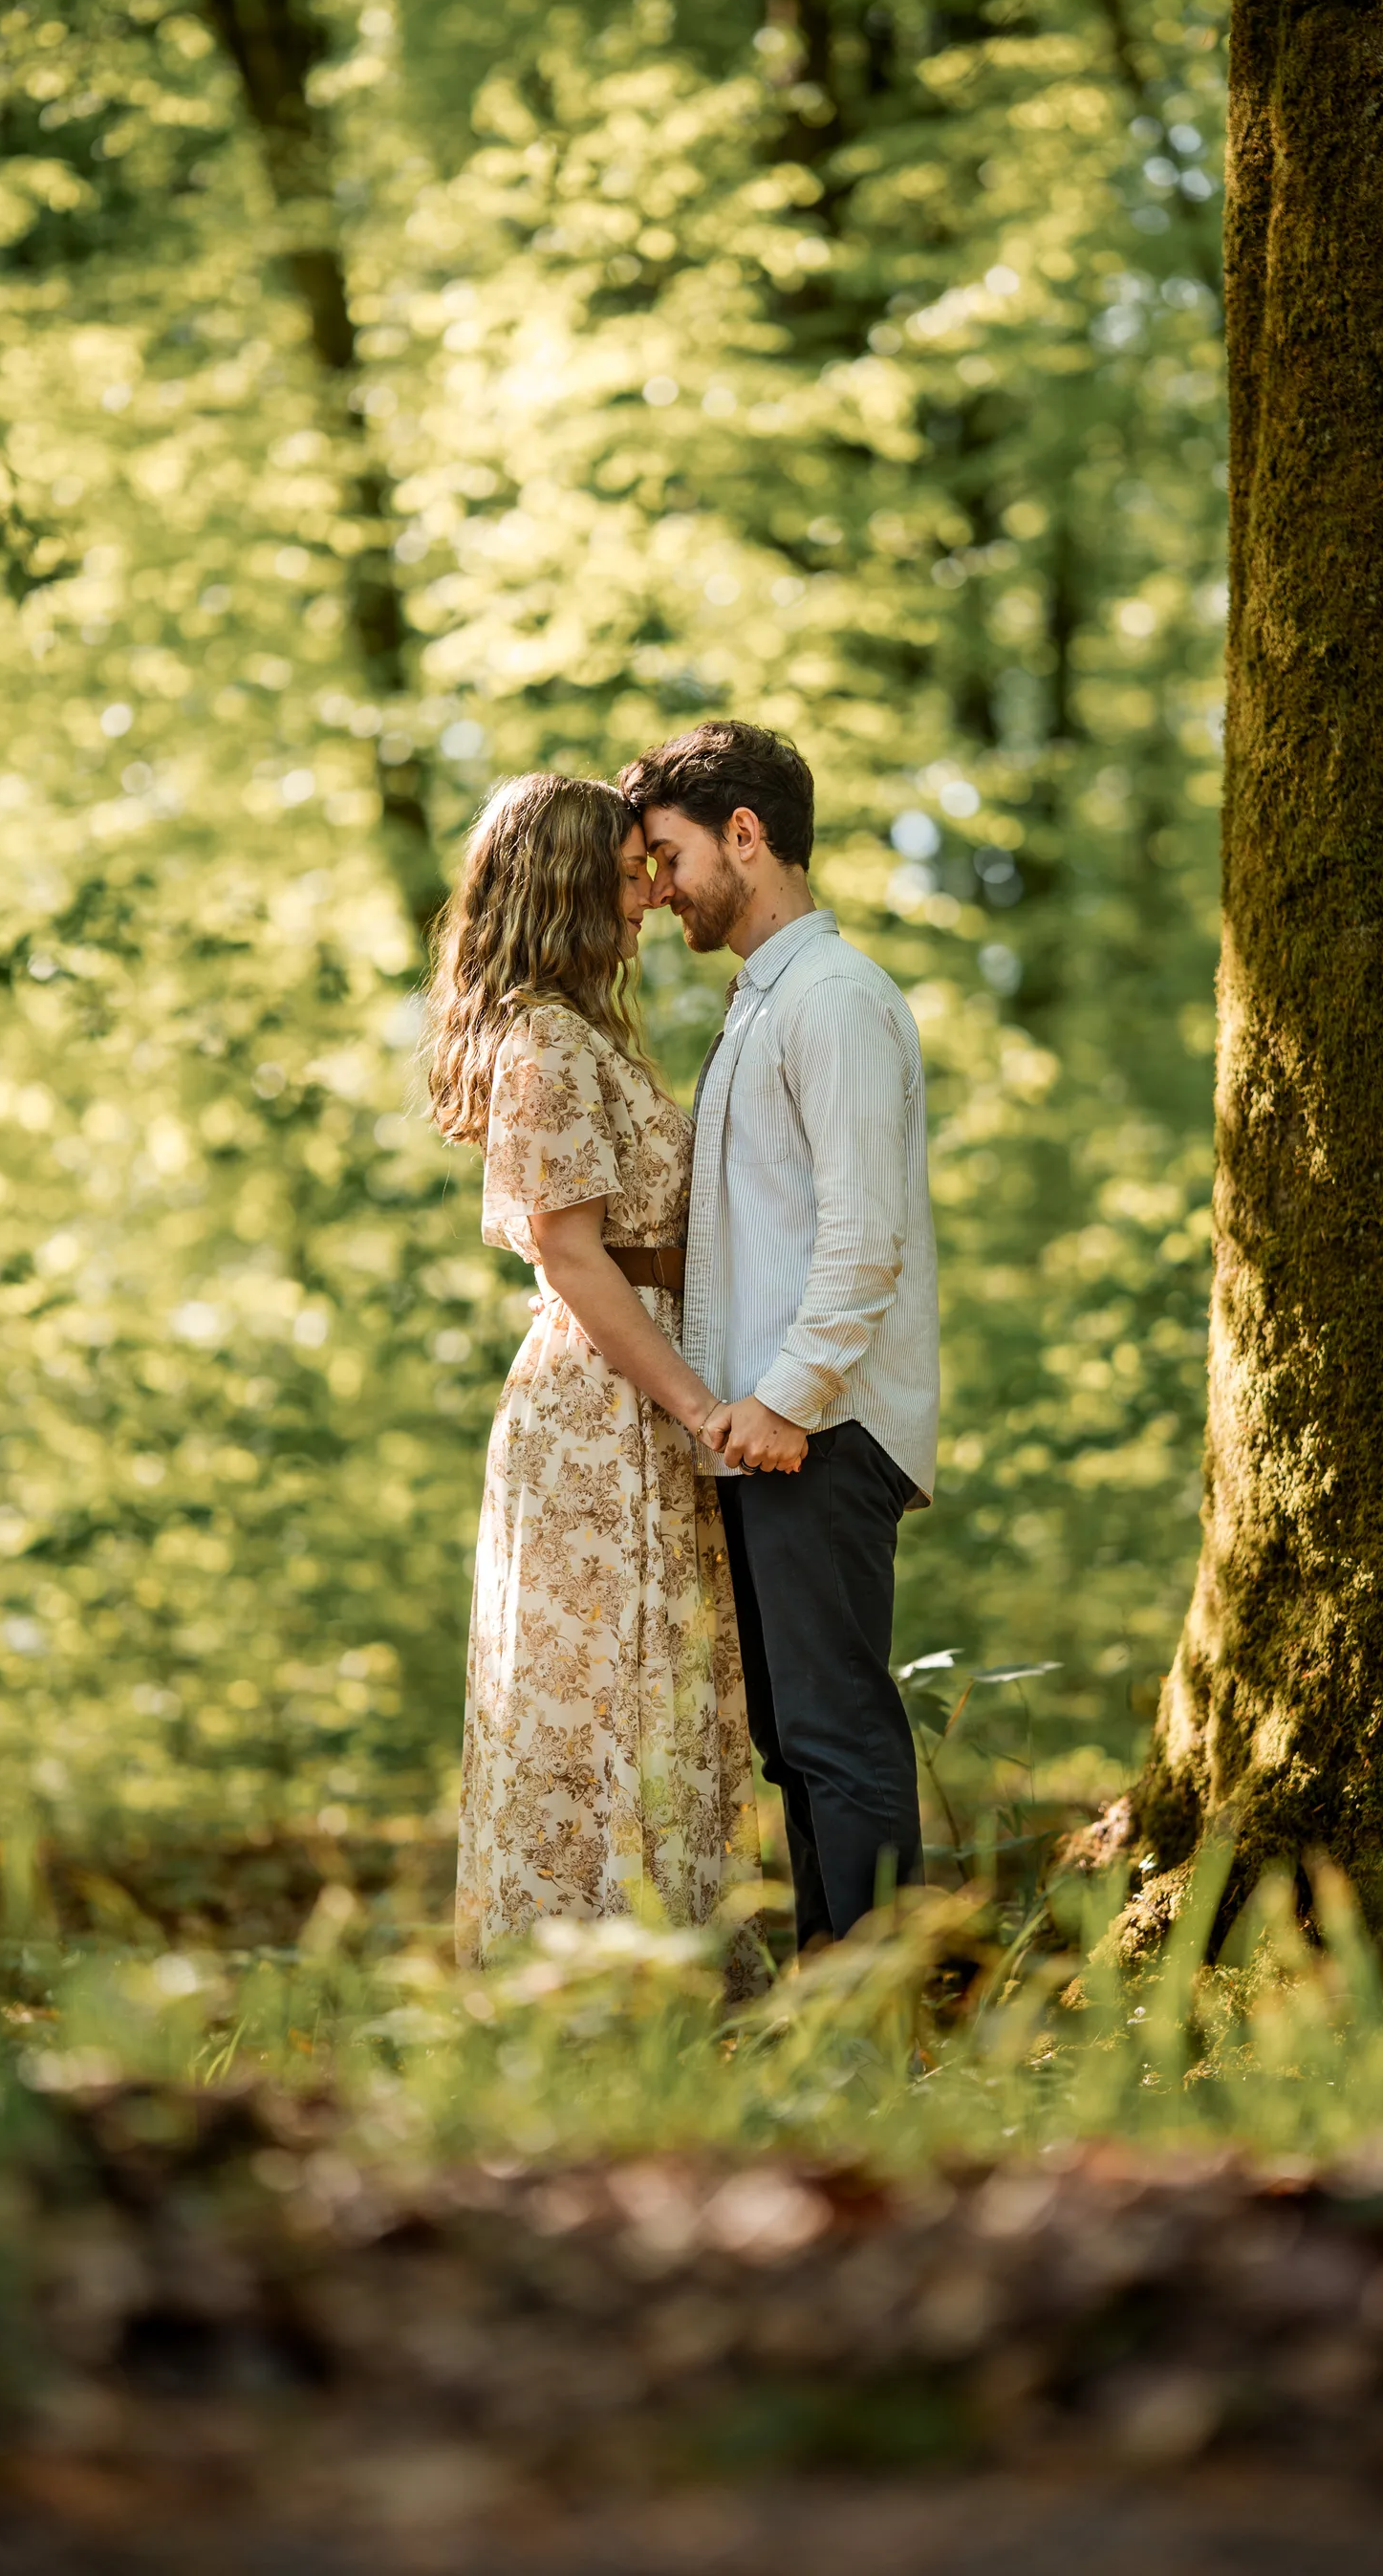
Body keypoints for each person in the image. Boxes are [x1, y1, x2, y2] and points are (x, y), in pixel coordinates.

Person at [424, 772, 763, 1965]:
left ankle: (658, 1970)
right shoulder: (549, 1042)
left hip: (637, 1390)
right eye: (629, 874)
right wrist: (698, 1405)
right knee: (607, 1694)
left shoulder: (579, 1033)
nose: (650, 896)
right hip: (605, 1405)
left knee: (652, 1688)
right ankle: (594, 1985)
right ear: (571, 885)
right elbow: (573, 1253)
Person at [617, 721, 940, 1949]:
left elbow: (867, 1239)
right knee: (794, 1739)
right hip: (769, 1429)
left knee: (838, 1731)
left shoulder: (837, 1002)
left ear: (743, 837)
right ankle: (835, 2009)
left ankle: (878, 2014)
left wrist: (791, 1400)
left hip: (823, 1424)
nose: (657, 888)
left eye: (668, 854)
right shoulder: (767, 1003)